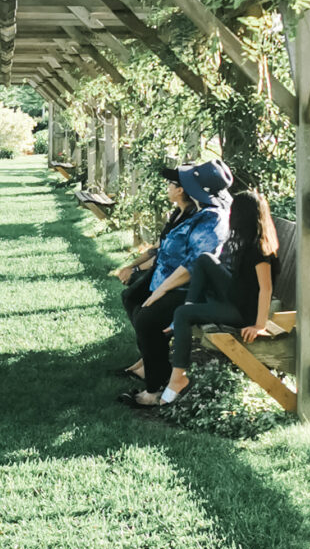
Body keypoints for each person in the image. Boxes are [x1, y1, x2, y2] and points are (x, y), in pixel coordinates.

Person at [116, 161, 233, 407]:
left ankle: (154, 390)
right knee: (136, 303)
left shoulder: (213, 218)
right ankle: (154, 369)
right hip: (172, 280)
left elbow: (194, 265)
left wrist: (161, 289)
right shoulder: (201, 212)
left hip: (195, 290)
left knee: (147, 319)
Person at [150, 189, 280, 410]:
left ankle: (177, 379)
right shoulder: (242, 242)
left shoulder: (259, 249)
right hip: (234, 298)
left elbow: (265, 289)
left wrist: (259, 325)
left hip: (242, 312)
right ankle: (190, 308)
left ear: (242, 215)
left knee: (182, 314)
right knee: (204, 260)